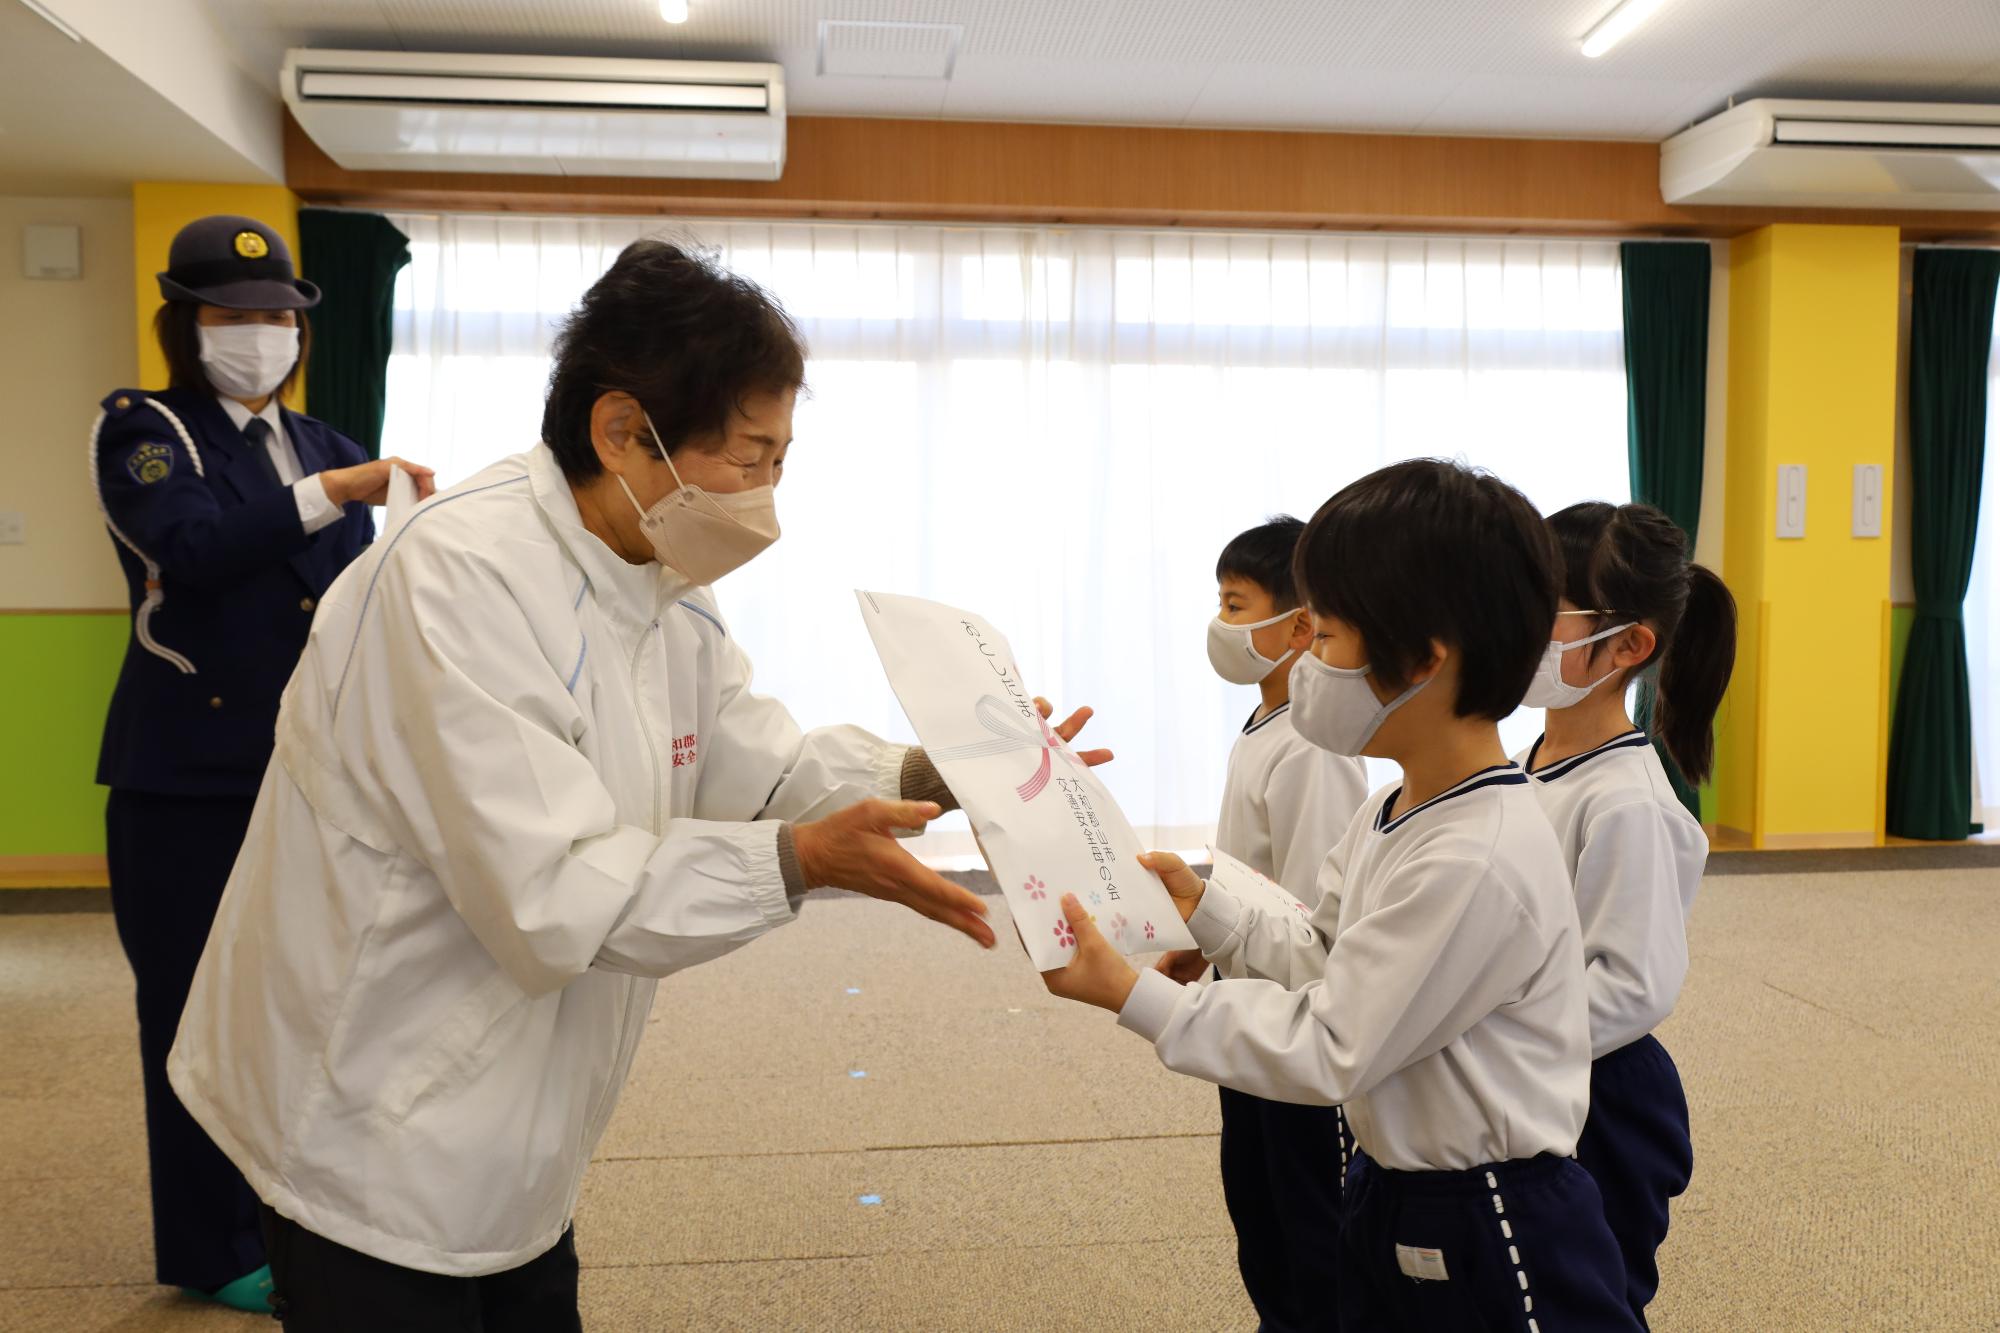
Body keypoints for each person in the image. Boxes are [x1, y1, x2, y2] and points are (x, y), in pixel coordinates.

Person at [166, 239, 1102, 1331]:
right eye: (749, 457)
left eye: (781, 460)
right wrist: (801, 861)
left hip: (515, 1116)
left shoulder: (657, 569)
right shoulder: (457, 576)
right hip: (376, 1107)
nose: (764, 494)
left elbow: (751, 760)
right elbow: (553, 891)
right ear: (621, 431)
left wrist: (934, 770)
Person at [1043, 459, 1641, 1331]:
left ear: (1424, 659)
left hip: (1491, 1217)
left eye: (1324, 636)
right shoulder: (1392, 810)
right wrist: (1207, 905)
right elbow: (1323, 956)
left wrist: (1139, 997)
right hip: (1397, 1185)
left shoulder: (1475, 854)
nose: (1309, 660)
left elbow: (1332, 1042)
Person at [90, 213, 433, 1312]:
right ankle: (209, 1243)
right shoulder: (148, 430)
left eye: (278, 317)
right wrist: (334, 499)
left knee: (303, 1001)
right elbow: (188, 551)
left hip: (307, 771)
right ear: (185, 325)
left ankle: (300, 1217)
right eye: (232, 316)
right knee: (192, 1007)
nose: (259, 334)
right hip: (187, 773)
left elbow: (350, 609)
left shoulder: (330, 445)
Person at [1516, 500, 1737, 1327]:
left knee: (1587, 1297)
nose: (1513, 624)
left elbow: (1634, 986)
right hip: (1538, 1066)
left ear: (1628, 645)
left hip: (1599, 1091)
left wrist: (1495, 1033)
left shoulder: (1629, 803)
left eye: (1542, 609)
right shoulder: (1522, 765)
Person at [1162, 515, 1368, 1331]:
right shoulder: (1263, 730)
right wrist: (1202, 934)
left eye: (1236, 603)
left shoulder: (1312, 752)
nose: (1222, 625)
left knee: (1309, 1221)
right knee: (1258, 1208)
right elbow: (1251, 877)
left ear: (1298, 625)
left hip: (1291, 1020)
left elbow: (1316, 924)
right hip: (1244, 1005)